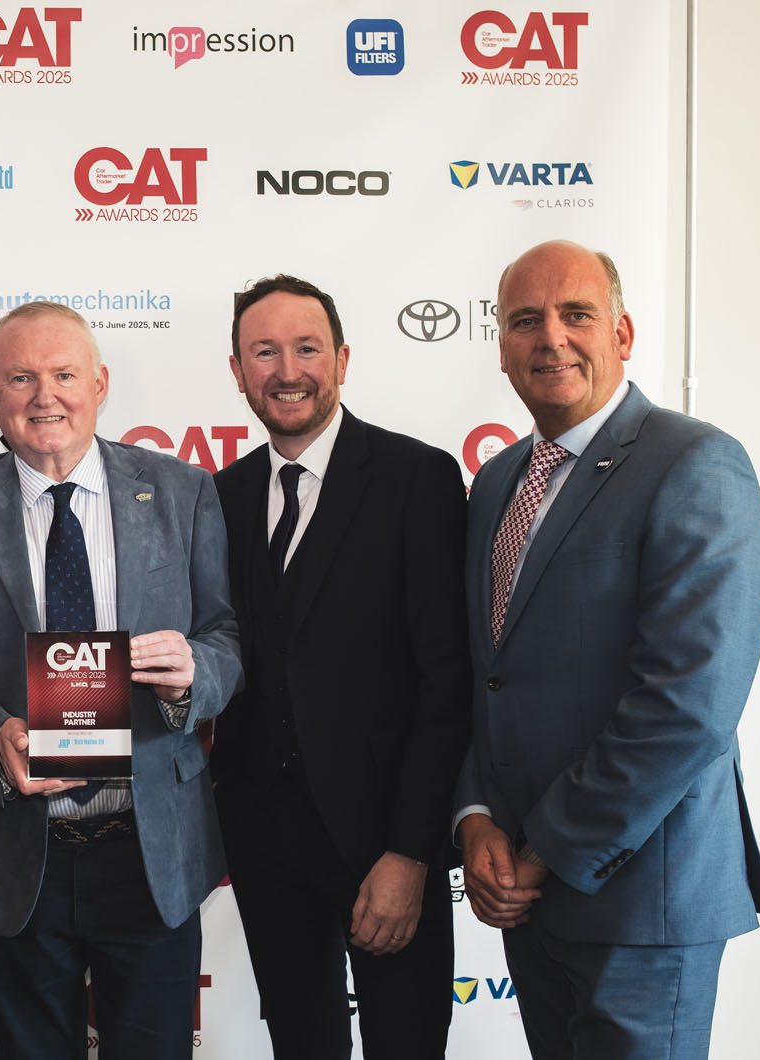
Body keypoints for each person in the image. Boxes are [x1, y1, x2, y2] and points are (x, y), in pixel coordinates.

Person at [455, 240, 760, 1059]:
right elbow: (488, 677)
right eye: (525, 321)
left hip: (640, 901)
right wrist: (475, 816)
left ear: (623, 333)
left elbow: (689, 705)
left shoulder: (695, 463)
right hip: (525, 898)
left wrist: (546, 849)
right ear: (501, 348)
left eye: (576, 314)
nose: (550, 338)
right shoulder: (496, 482)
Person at [0, 300, 240, 1060]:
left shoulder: (183, 491)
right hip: (19, 851)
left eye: (63, 375)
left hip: (150, 850)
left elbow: (225, 636)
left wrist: (192, 678)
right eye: (20, 378)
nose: (44, 397)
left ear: (100, 383)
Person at [211, 274, 470, 1058]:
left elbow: (447, 683)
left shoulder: (417, 479)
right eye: (265, 352)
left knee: (406, 1043)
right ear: (238, 372)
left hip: (385, 844)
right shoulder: (219, 497)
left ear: (343, 360)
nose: (287, 371)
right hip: (264, 849)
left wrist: (412, 852)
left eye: (307, 348)